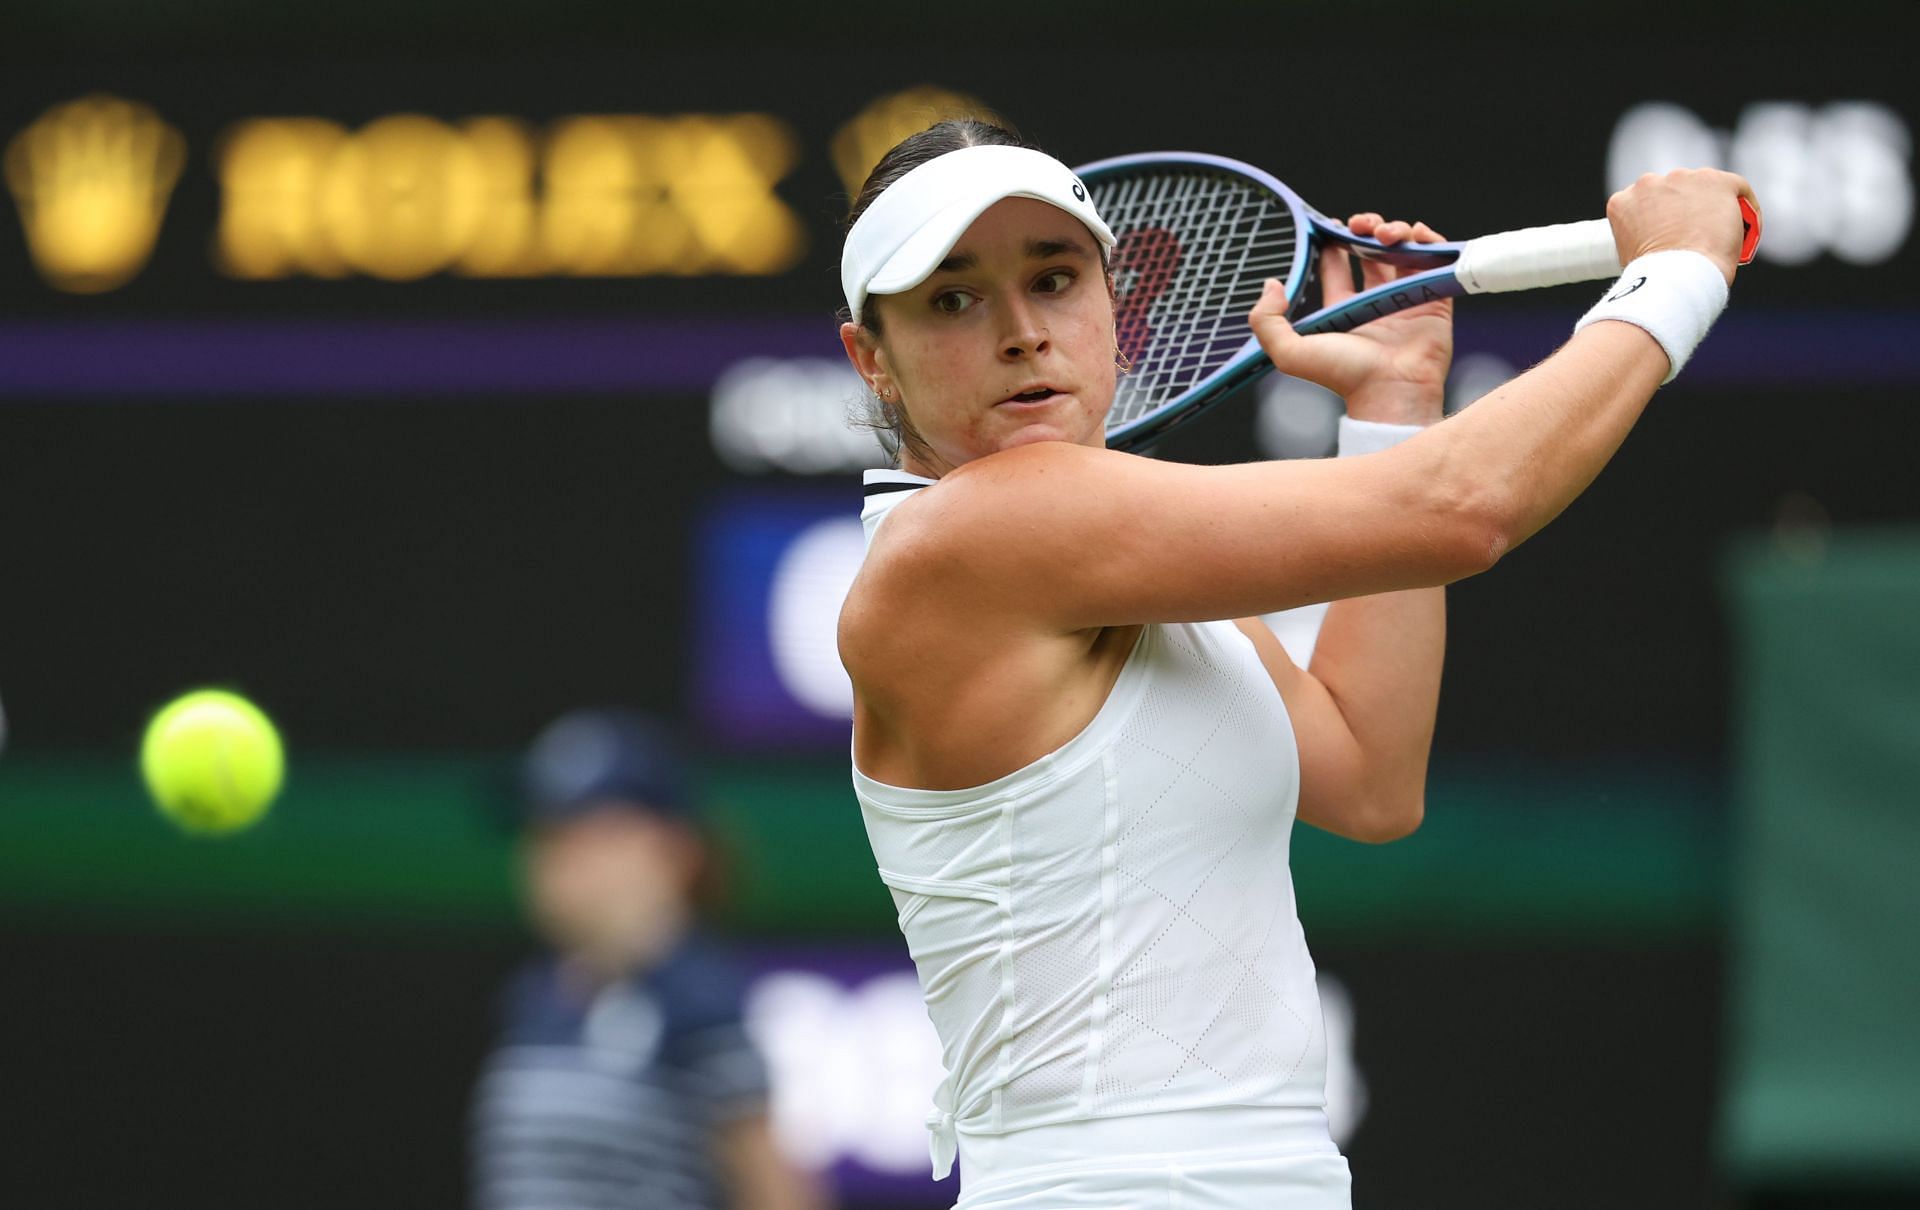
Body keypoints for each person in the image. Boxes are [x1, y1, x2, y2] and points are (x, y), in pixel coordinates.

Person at [835, 120, 1754, 1209]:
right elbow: (1463, 508)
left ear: (1112, 306)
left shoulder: (1116, 564)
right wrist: (1676, 275)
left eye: (1055, 278)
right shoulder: (973, 538)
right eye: (954, 299)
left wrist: (1392, 409)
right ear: (870, 359)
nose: (1023, 332)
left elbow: (1369, 776)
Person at [469, 708, 825, 1210]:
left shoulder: (699, 1002)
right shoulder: (534, 995)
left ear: (670, 849)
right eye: (543, 833)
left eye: (586, 833)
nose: (554, 859)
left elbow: (778, 1196)